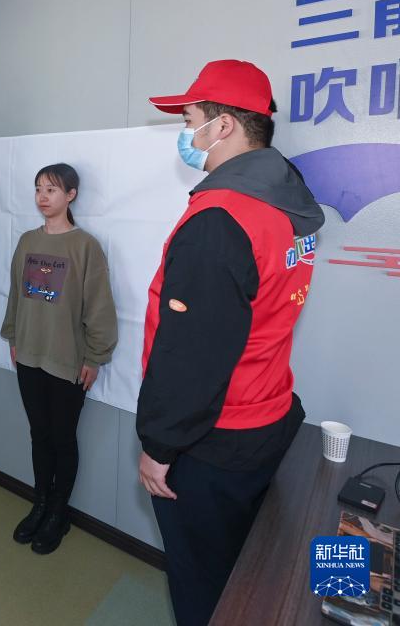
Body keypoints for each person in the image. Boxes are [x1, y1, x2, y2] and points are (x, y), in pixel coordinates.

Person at [136, 60, 325, 625]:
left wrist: (158, 447)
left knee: (204, 587)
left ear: (223, 126)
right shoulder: (285, 207)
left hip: (212, 441)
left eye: (190, 119)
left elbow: (192, 356)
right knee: (245, 580)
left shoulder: (220, 219)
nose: (186, 132)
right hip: (268, 415)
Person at [0, 163, 117, 554]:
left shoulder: (85, 246)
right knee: (40, 434)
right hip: (28, 356)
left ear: (71, 195)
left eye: (51, 189)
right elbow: (16, 294)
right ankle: (40, 504)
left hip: (67, 361)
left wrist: (95, 357)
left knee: (63, 438)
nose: (42, 196)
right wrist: (13, 336)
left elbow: (99, 307)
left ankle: (58, 513)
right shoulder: (26, 242)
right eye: (38, 189)